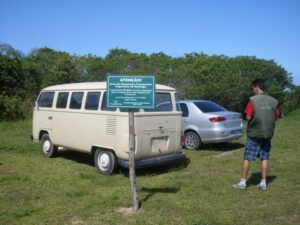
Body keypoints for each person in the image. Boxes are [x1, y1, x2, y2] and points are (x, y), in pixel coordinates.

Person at [233, 79, 280, 191]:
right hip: (267, 134)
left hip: (254, 134)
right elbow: (276, 115)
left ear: (257, 87)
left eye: (252, 88)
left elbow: (248, 117)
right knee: (264, 157)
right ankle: (263, 183)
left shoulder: (253, 100)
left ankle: (243, 183)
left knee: (247, 157)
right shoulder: (273, 101)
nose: (252, 90)